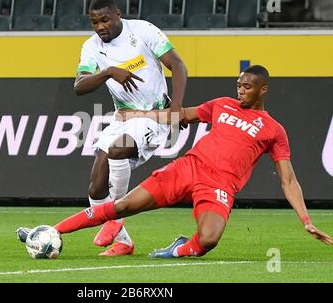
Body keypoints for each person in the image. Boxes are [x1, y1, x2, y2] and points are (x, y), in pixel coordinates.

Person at [43, 65, 333, 258]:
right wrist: (134, 116)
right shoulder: (222, 105)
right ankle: (52, 231)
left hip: (219, 185)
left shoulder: (274, 129)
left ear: (263, 90)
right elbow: (179, 116)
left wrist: (305, 220)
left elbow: (288, 179)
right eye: (238, 85)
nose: (240, 91)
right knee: (122, 207)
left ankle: (177, 250)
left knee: (208, 241)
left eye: (247, 87)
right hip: (188, 167)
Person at [17, 0, 188, 256]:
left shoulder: (143, 30)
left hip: (154, 116)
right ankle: (124, 242)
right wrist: (108, 71)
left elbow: (177, 65)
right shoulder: (91, 47)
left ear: (117, 14)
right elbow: (79, 86)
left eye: (104, 20)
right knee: (96, 184)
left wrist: (176, 110)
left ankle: (115, 219)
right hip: (123, 117)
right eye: (94, 22)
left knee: (118, 150)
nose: (100, 27)